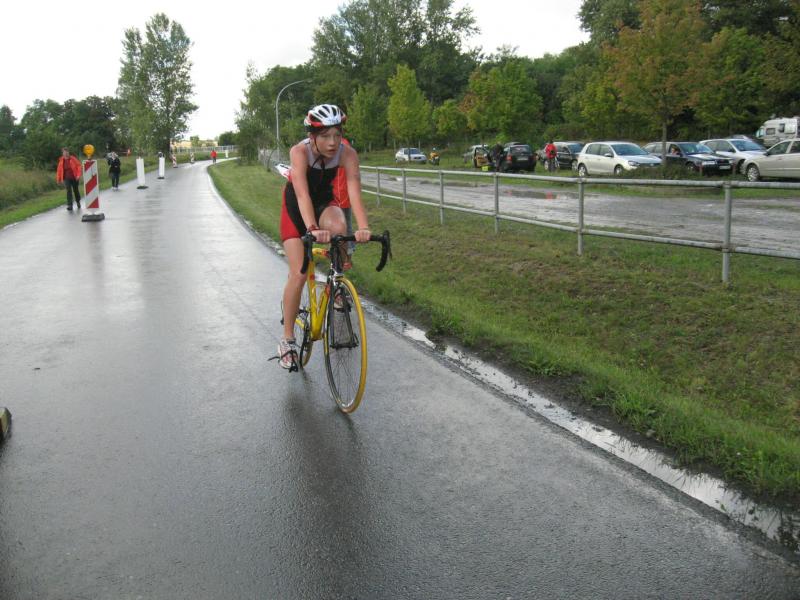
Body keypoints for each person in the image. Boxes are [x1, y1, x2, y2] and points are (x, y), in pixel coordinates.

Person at [277, 104, 371, 370]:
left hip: (323, 203)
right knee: (298, 273)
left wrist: (363, 227)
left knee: (340, 227)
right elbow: (302, 194)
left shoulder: (347, 153)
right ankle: (287, 340)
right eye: (326, 136)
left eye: (337, 135)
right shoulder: (299, 152)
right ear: (312, 136)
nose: (332, 142)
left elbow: (353, 190)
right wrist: (310, 227)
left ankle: (337, 282)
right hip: (296, 209)